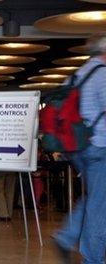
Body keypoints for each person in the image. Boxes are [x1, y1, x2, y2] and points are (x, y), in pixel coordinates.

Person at [54, 33, 106, 264]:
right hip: (99, 146)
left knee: (96, 197)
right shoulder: (103, 75)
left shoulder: (76, 76)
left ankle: (66, 236)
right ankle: (92, 259)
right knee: (99, 206)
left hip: (77, 148)